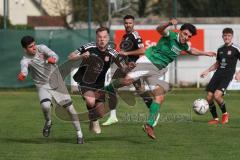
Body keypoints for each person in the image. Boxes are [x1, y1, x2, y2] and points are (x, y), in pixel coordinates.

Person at [104, 19, 216, 139]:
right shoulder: (170, 35)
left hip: (156, 70)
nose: (186, 37)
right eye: (185, 34)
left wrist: (205, 53)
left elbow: (191, 50)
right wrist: (168, 23)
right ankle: (106, 88)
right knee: (127, 81)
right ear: (180, 31)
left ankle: (149, 125)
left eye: (189, 36)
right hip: (148, 61)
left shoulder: (184, 44)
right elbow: (159, 29)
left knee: (159, 97)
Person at [17, 36, 84, 144]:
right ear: (25, 49)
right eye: (30, 47)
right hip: (42, 85)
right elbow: (24, 69)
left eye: (34, 44)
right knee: (45, 106)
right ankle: (48, 122)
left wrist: (53, 59)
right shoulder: (25, 60)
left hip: (56, 81)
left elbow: (54, 55)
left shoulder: (42, 48)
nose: (34, 48)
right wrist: (22, 75)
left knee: (70, 109)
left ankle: (79, 134)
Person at [68, 27, 124, 134]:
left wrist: (129, 67)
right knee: (90, 100)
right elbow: (70, 56)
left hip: (99, 85)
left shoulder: (112, 53)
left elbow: (123, 67)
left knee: (101, 114)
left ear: (108, 38)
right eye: (99, 37)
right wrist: (81, 56)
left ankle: (93, 119)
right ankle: (94, 121)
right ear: (96, 38)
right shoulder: (89, 47)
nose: (102, 40)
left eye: (104, 37)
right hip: (85, 82)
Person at [102, 14, 155, 126]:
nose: (128, 25)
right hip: (125, 67)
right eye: (126, 23)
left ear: (133, 23)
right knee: (112, 87)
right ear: (124, 24)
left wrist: (127, 53)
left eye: (130, 23)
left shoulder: (135, 36)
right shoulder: (125, 36)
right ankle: (113, 117)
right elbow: (121, 52)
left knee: (141, 91)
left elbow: (143, 50)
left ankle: (154, 112)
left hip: (135, 67)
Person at [200, 28, 240, 125]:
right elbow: (217, 63)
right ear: (222, 36)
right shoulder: (220, 49)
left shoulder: (236, 48)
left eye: (229, 35)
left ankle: (225, 114)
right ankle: (215, 119)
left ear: (232, 37)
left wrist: (238, 73)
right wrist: (207, 71)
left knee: (217, 96)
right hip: (218, 74)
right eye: (225, 35)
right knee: (209, 97)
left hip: (227, 75)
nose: (227, 37)